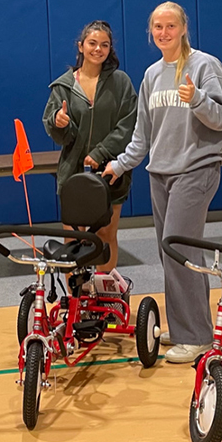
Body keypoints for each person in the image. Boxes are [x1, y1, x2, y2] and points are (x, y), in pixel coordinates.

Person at [102, 2, 222, 364]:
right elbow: (142, 135)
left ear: (183, 27)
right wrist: (121, 163)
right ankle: (185, 327)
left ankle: (197, 337)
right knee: (169, 253)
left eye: (170, 25)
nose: (164, 32)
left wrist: (198, 100)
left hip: (196, 169)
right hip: (159, 174)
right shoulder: (151, 75)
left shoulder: (205, 65)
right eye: (157, 27)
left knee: (181, 252)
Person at [42, 20, 137, 273]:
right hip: (73, 172)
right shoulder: (63, 86)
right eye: (92, 43)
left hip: (112, 171)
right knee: (73, 234)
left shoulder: (121, 82)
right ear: (81, 46)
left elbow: (129, 125)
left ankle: (106, 294)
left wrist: (100, 153)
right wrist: (59, 123)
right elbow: (54, 128)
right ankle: (77, 299)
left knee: (106, 232)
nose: (98, 49)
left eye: (104, 45)